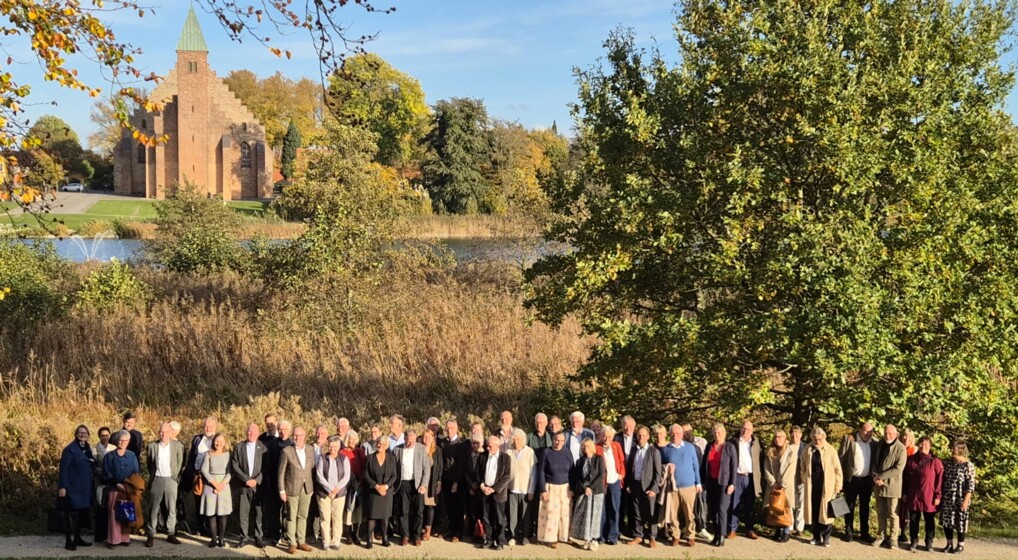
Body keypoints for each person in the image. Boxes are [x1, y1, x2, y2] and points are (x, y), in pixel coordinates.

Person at [800, 427, 843, 547]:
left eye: (819, 439)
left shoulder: (831, 450)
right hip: (812, 485)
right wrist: (804, 477)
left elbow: (837, 469)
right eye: (815, 439)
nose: (817, 441)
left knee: (827, 512)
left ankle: (826, 538)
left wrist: (838, 485)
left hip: (827, 486)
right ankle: (816, 536)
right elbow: (802, 465)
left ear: (824, 437)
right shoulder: (807, 449)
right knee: (814, 511)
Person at [660, 424, 701, 547]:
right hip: (672, 487)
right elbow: (661, 467)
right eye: (672, 434)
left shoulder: (690, 447)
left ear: (682, 434)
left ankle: (690, 535)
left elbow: (695, 466)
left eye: (677, 433)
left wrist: (698, 483)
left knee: (689, 513)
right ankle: (675, 536)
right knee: (673, 514)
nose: (675, 436)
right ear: (669, 434)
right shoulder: (665, 449)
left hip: (689, 486)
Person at [145, 423, 184, 547]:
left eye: (166, 432)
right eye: (161, 432)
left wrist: (175, 476)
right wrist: (153, 476)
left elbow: (180, 462)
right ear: (158, 432)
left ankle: (171, 533)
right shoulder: (152, 446)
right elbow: (150, 463)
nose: (163, 434)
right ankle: (150, 534)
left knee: (171, 508)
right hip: (157, 479)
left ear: (171, 433)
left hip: (171, 480)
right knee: (153, 508)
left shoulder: (177, 446)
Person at [278, 426, 315, 554]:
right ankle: (292, 543)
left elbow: (312, 469)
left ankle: (301, 541)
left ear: (304, 436)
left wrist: (311, 487)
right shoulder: (286, 451)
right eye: (295, 435)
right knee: (291, 517)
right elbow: (280, 473)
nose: (297, 437)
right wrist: (281, 490)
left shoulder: (310, 449)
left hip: (307, 489)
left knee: (303, 516)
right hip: (291, 489)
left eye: (300, 435)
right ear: (292, 436)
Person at [231, 423, 269, 548]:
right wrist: (246, 479)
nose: (251, 433)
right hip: (243, 485)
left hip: (258, 486)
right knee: (243, 513)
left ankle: (258, 537)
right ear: (246, 432)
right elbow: (235, 466)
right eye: (249, 431)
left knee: (259, 513)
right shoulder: (238, 447)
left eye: (253, 431)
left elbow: (266, 467)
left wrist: (256, 480)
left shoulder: (264, 447)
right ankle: (244, 537)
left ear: (258, 433)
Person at [903, 436, 943, 552]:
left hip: (929, 496)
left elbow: (940, 480)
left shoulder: (935, 461)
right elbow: (905, 478)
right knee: (913, 520)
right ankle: (914, 541)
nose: (923, 446)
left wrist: (938, 495)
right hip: (914, 495)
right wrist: (905, 493)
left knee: (929, 520)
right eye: (921, 443)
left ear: (930, 446)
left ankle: (929, 542)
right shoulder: (911, 460)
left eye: (926, 444)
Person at [839, 421, 877, 543]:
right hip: (852, 479)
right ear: (860, 430)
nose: (868, 434)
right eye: (866, 431)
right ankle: (848, 531)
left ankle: (864, 533)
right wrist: (840, 479)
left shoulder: (874, 443)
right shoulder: (850, 440)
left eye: (871, 431)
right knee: (849, 505)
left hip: (866, 480)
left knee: (865, 507)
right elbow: (841, 459)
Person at [59, 425, 95, 551]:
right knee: (69, 516)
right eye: (80, 432)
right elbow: (63, 469)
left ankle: (78, 538)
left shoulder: (87, 448)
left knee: (80, 515)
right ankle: (68, 541)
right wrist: (62, 487)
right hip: (72, 488)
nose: (82, 435)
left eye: (85, 433)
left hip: (84, 488)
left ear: (88, 435)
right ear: (75, 434)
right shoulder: (69, 449)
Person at [103, 430, 141, 547]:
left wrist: (129, 486)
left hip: (128, 490)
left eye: (126, 441)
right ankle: (113, 540)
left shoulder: (132, 456)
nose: (123, 443)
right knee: (114, 514)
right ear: (116, 441)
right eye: (121, 440)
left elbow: (136, 473)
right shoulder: (109, 456)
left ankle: (125, 538)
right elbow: (106, 473)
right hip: (114, 489)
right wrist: (117, 484)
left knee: (126, 513)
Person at [626, 425, 662, 548]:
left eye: (643, 435)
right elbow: (630, 469)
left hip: (648, 487)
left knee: (651, 512)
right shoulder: (634, 450)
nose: (641, 437)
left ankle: (652, 537)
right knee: (637, 512)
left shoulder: (654, 451)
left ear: (648, 437)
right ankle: (639, 535)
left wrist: (654, 488)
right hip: (635, 485)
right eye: (639, 435)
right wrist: (629, 484)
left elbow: (658, 473)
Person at [394, 429, 431, 546]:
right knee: (403, 511)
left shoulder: (421, 448)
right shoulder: (397, 449)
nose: (411, 443)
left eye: (413, 441)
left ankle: (416, 535)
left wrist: (424, 484)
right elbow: (394, 468)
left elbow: (426, 468)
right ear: (404, 439)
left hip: (417, 483)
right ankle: (405, 535)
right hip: (403, 483)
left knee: (418, 511)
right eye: (409, 441)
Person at [872, 424, 908, 548]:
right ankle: (881, 536)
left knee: (893, 513)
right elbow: (874, 462)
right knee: (880, 512)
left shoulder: (901, 448)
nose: (888, 435)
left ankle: (893, 538)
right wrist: (874, 476)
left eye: (890, 433)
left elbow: (898, 468)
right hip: (878, 484)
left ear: (896, 434)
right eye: (886, 433)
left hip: (893, 485)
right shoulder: (879, 444)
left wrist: (881, 477)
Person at [536, 431, 573, 548]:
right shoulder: (546, 452)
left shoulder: (567, 452)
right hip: (550, 487)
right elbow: (541, 471)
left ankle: (564, 536)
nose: (558, 442)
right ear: (553, 439)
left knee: (565, 513)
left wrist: (572, 488)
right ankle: (551, 538)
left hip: (565, 487)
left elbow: (572, 470)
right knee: (551, 513)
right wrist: (543, 489)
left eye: (561, 440)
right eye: (556, 440)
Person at [182, 416, 218, 537]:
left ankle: (212, 529)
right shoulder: (197, 439)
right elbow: (191, 458)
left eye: (210, 426)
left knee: (211, 503)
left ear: (215, 427)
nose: (207, 428)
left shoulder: (218, 438)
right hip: (198, 477)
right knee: (198, 503)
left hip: (212, 477)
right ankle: (200, 527)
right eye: (205, 426)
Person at [702, 423, 737, 547]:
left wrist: (732, 483)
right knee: (713, 510)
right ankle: (716, 535)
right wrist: (703, 481)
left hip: (724, 482)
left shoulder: (729, 447)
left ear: (724, 433)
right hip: (711, 481)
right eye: (715, 432)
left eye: (719, 432)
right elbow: (704, 465)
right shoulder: (709, 446)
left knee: (721, 509)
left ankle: (722, 536)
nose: (717, 434)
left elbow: (734, 466)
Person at [316, 435, 351, 550]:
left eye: (335, 446)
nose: (332, 449)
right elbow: (319, 476)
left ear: (339, 446)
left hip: (339, 494)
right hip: (324, 493)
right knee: (325, 518)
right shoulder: (322, 458)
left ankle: (336, 541)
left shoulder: (344, 459)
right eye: (330, 446)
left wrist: (336, 489)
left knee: (337, 518)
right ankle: (325, 541)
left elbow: (346, 476)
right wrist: (330, 489)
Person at [478, 434, 513, 550]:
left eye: (490, 446)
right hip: (485, 492)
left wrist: (494, 489)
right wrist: (482, 486)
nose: (488, 448)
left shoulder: (505, 458)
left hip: (498, 493)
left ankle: (500, 541)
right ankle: (488, 539)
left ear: (498, 446)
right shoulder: (482, 456)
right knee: (486, 518)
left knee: (499, 518)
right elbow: (478, 473)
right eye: (487, 446)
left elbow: (506, 476)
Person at [728, 420, 762, 540]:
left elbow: (761, 459)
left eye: (748, 429)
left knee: (750, 504)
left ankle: (749, 529)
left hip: (751, 478)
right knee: (734, 503)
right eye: (743, 428)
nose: (745, 431)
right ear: (740, 428)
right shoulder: (733, 442)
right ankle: (732, 529)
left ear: (752, 431)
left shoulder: (756, 443)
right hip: (737, 476)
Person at [570, 439, 605, 550]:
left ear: (592, 447)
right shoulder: (580, 461)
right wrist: (584, 488)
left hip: (596, 492)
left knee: (595, 516)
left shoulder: (599, 459)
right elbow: (577, 477)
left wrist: (591, 487)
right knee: (585, 516)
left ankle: (594, 540)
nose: (586, 448)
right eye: (584, 446)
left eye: (588, 446)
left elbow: (601, 475)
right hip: (583, 491)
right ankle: (587, 539)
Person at [940, 441, 975, 554]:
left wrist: (966, 500)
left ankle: (960, 545)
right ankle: (949, 543)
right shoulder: (948, 462)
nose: (952, 450)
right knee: (947, 520)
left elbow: (971, 485)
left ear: (960, 449)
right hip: (948, 496)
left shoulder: (968, 465)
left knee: (960, 521)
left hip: (960, 497)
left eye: (954, 448)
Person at [363, 435, 397, 549]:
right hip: (373, 490)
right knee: (371, 516)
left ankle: (384, 538)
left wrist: (386, 486)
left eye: (383, 444)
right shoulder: (369, 458)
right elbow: (366, 475)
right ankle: (369, 539)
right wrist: (376, 486)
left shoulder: (391, 458)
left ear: (387, 446)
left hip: (386, 491)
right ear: (376, 443)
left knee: (385, 516)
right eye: (379, 443)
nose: (380, 445)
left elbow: (394, 476)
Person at [762, 430, 796, 542]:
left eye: (780, 437)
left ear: (785, 438)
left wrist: (782, 484)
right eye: (775, 437)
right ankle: (778, 530)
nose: (777, 439)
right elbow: (766, 468)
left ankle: (786, 531)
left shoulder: (791, 451)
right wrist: (772, 482)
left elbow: (791, 469)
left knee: (786, 508)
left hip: (785, 485)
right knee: (775, 507)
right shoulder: (770, 451)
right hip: (773, 485)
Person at [200, 433, 232, 548]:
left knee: (222, 514)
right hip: (210, 485)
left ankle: (221, 538)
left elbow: (229, 472)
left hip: (224, 485)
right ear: (213, 442)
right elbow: (204, 470)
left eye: (221, 441)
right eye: (216, 441)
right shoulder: (208, 454)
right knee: (211, 514)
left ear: (225, 442)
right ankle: (213, 538)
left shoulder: (228, 455)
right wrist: (214, 484)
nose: (219, 443)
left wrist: (221, 485)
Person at [439, 418, 468, 542]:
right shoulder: (443, 443)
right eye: (448, 428)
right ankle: (451, 529)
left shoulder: (461, 444)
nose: (449, 430)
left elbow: (461, 465)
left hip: (457, 480)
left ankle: (458, 532)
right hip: (446, 479)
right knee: (449, 505)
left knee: (458, 507)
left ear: (457, 429)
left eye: (452, 428)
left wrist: (456, 482)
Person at [507, 428, 537, 546]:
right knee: (512, 514)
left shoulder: (530, 452)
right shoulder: (508, 452)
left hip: (525, 489)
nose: (516, 442)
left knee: (526, 515)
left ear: (523, 440)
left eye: (519, 440)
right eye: (514, 440)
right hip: (512, 488)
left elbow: (533, 474)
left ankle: (525, 537)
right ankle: (513, 536)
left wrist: (531, 490)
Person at [683, 423, 711, 541]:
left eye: (688, 431)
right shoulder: (680, 445)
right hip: (686, 481)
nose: (686, 434)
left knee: (701, 505)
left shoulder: (701, 443)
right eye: (684, 432)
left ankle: (702, 527)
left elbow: (703, 464)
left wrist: (701, 481)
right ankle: (687, 527)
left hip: (699, 480)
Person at [599, 425, 625, 545]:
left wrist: (621, 474)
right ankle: (602, 536)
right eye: (604, 436)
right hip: (602, 483)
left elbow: (622, 462)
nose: (607, 438)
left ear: (613, 437)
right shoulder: (597, 447)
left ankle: (613, 536)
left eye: (609, 436)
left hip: (614, 482)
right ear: (601, 436)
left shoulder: (616, 446)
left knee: (614, 509)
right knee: (602, 510)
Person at [340, 431, 366, 545]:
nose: (353, 441)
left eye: (355, 439)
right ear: (347, 439)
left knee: (357, 510)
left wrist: (360, 482)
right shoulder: (341, 452)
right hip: (345, 485)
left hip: (358, 485)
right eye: (351, 439)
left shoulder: (360, 452)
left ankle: (356, 534)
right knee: (347, 510)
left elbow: (364, 468)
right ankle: (348, 534)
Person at [92, 426, 115, 543]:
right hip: (100, 481)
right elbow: (93, 467)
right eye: (102, 436)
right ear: (99, 436)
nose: (105, 438)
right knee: (100, 506)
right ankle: (100, 535)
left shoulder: (113, 448)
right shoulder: (94, 449)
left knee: (111, 507)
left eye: (107, 435)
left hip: (112, 481)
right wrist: (105, 472)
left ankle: (111, 534)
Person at [421, 429, 443, 541]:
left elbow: (440, 467)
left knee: (430, 506)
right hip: (420, 482)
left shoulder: (437, 450)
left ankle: (428, 529)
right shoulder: (419, 449)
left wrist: (439, 482)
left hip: (432, 482)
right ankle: (419, 528)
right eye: (425, 437)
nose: (427, 439)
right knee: (420, 506)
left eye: (429, 437)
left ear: (433, 438)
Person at [898, 428, 918, 543]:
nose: (906, 438)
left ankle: (904, 532)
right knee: (898, 507)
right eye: (905, 436)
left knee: (907, 509)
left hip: (910, 482)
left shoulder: (915, 450)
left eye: (909, 436)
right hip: (897, 480)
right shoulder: (897, 447)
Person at [790, 426, 807, 536]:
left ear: (801, 435)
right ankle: (790, 526)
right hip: (790, 478)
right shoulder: (787, 446)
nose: (795, 435)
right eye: (793, 433)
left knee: (801, 503)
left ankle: (800, 527)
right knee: (790, 503)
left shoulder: (806, 447)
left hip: (802, 478)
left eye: (797, 433)